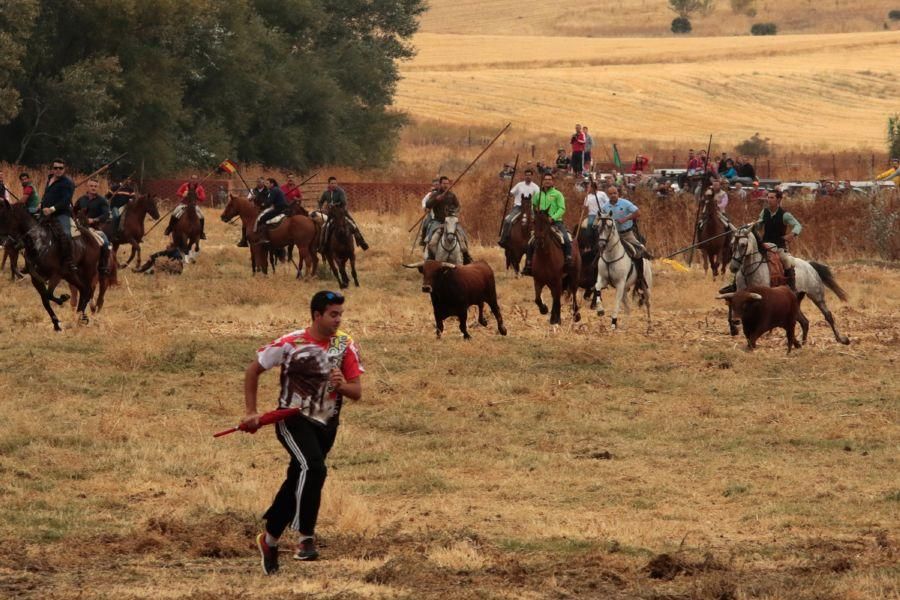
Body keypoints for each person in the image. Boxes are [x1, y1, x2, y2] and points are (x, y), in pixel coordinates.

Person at [244, 290, 363, 574]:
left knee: (298, 479)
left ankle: (269, 540)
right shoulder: (290, 343)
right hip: (292, 419)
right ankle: (305, 538)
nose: (338, 320)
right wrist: (251, 412)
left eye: (341, 314)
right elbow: (252, 371)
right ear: (316, 315)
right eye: (333, 314)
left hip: (327, 423)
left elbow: (357, 392)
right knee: (314, 468)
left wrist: (340, 385)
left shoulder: (344, 345)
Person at [720, 189, 802, 294]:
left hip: (779, 246)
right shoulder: (765, 212)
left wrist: (792, 234)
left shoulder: (785, 215)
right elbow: (759, 225)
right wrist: (752, 226)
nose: (769, 199)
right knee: (743, 258)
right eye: (768, 197)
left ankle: (792, 286)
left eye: (772, 197)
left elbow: (798, 225)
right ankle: (734, 284)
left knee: (786, 260)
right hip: (764, 244)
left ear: (779, 200)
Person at [522, 172, 572, 275]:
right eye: (545, 179)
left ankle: (568, 260)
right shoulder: (537, 195)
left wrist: (552, 218)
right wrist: (535, 215)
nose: (547, 181)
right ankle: (529, 264)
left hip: (555, 222)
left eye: (549, 179)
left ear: (553, 181)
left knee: (566, 239)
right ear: (543, 182)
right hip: (541, 224)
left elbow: (562, 208)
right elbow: (533, 207)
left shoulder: (558, 194)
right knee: (530, 242)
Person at [601, 185, 648, 291]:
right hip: (613, 236)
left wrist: (626, 219)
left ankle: (640, 279)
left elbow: (638, 212)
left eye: (615, 193)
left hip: (627, 234)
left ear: (618, 193)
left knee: (638, 251)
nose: (613, 195)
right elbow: (602, 219)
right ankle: (603, 278)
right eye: (611, 194)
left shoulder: (625, 203)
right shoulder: (605, 207)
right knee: (600, 253)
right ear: (608, 195)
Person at [423, 175, 473, 263]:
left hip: (451, 222)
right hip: (438, 222)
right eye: (443, 183)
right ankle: (430, 259)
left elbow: (458, 206)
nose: (445, 185)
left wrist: (453, 211)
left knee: (463, 237)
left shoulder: (452, 195)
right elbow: (428, 205)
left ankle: (466, 258)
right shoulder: (435, 194)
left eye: (447, 183)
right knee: (431, 241)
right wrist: (436, 200)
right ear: (440, 184)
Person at [40, 158, 77, 273]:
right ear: (53, 169)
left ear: (64, 169)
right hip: (45, 212)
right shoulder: (50, 179)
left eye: (60, 168)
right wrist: (41, 204)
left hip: (62, 213)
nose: (58, 170)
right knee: (31, 231)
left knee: (66, 234)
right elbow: (47, 194)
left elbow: (66, 200)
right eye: (55, 168)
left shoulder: (67, 183)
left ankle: (70, 261)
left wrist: (52, 209)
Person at [318, 177, 369, 251]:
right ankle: (323, 245)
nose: (334, 185)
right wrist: (320, 207)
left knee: (353, 225)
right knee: (324, 227)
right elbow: (321, 201)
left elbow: (343, 202)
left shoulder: (340, 191)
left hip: (342, 213)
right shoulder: (326, 193)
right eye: (332, 183)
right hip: (331, 214)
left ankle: (361, 242)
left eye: (335, 183)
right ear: (329, 184)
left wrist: (334, 204)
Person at [73, 179, 112, 275]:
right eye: (91, 186)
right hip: (79, 227)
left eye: (95, 186)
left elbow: (106, 215)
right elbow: (74, 210)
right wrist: (75, 218)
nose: (93, 188)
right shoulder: (81, 199)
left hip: (94, 229)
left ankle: (104, 266)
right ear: (87, 187)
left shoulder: (102, 200)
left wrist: (94, 220)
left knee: (106, 243)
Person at [499, 168, 540, 247]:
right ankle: (504, 239)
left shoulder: (536, 187)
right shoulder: (519, 185)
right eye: (526, 175)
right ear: (524, 176)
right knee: (508, 220)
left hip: (530, 209)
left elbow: (538, 199)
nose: (528, 177)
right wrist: (508, 195)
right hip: (518, 207)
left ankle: (537, 242)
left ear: (532, 176)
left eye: (530, 175)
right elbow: (511, 193)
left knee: (537, 223)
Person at [165, 174, 206, 240]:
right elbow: (178, 193)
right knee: (174, 213)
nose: (194, 180)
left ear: (197, 180)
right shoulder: (185, 185)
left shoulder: (199, 187)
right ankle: (169, 228)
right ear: (190, 179)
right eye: (192, 178)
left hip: (193, 206)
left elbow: (203, 198)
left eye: (195, 179)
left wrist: (197, 195)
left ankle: (201, 233)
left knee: (202, 216)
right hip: (183, 204)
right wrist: (183, 194)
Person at [255, 178, 288, 243]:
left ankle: (264, 237)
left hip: (279, 208)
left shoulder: (274, 190)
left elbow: (269, 202)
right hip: (282, 207)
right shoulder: (276, 189)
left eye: (267, 183)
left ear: (272, 184)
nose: (266, 185)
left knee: (262, 218)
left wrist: (262, 205)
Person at [418, 178, 440, 247]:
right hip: (432, 214)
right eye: (435, 184)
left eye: (438, 184)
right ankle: (423, 240)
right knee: (425, 224)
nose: (436, 185)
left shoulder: (444, 193)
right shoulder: (430, 194)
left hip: (442, 215)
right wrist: (425, 208)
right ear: (433, 185)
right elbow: (424, 201)